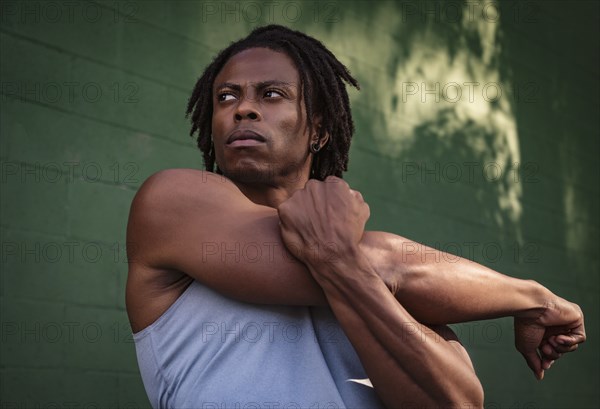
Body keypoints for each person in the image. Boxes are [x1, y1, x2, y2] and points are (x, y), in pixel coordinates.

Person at [126, 25, 585, 409]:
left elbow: (460, 402)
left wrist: (343, 265)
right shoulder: (172, 202)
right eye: (226, 97)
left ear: (320, 130)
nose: (242, 108)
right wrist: (534, 297)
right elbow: (386, 262)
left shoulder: (407, 282)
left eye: (271, 94)